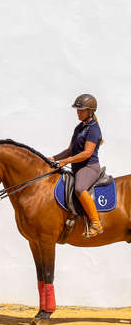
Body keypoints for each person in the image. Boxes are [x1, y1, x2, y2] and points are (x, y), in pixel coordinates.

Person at [48, 94, 103, 238]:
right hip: (77, 167)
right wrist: (53, 158)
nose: (78, 112)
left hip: (89, 167)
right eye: (77, 110)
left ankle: (96, 224)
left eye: (81, 110)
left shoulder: (94, 129)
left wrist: (66, 161)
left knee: (79, 188)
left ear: (90, 111)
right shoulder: (79, 127)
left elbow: (87, 153)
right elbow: (70, 150)